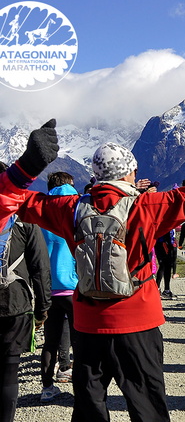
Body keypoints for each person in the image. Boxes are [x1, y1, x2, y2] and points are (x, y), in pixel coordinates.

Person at [14, 142, 185, 422]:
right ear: (129, 173)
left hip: (87, 326)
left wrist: (24, 166)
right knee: (147, 408)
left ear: (95, 174)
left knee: (88, 409)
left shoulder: (69, 208)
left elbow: (14, 199)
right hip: (138, 323)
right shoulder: (149, 206)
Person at [0, 160, 52, 421]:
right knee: (9, 372)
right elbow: (40, 267)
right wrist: (42, 309)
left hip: (15, 305)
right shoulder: (24, 218)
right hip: (15, 303)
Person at [39, 172, 79, 402]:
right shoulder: (77, 208)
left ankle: (47, 387)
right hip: (73, 286)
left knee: (50, 341)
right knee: (79, 339)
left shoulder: (41, 210)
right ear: (70, 185)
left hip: (48, 287)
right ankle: (83, 389)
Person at [155, 230, 178, 300]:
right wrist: (170, 245)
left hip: (160, 243)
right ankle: (162, 289)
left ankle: (163, 289)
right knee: (164, 266)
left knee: (164, 266)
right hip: (164, 243)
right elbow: (168, 233)